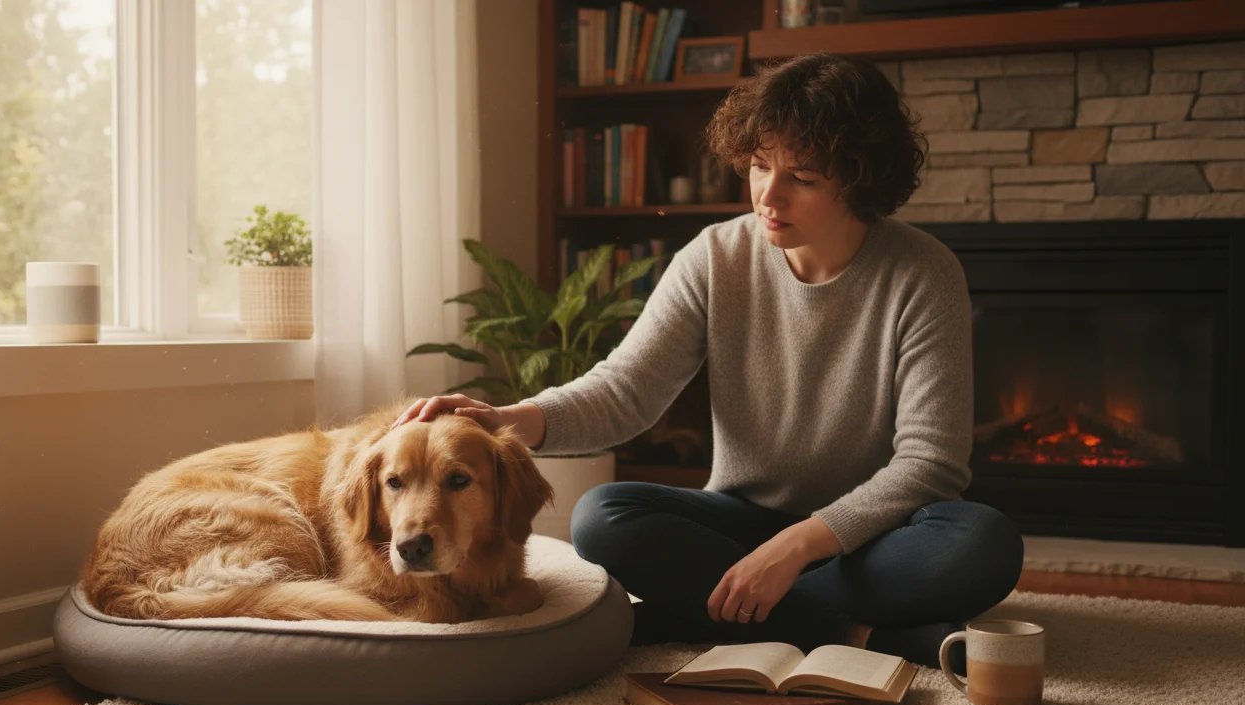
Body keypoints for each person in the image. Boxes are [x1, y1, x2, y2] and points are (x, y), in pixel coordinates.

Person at [392, 52, 1023, 670]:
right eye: (757, 166)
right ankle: (858, 634)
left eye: (800, 177)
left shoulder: (923, 272)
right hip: (739, 523)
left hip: (866, 537)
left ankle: (696, 617)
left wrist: (797, 547)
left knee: (982, 544)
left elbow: (930, 465)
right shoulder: (715, 257)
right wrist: (506, 418)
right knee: (601, 517)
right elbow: (626, 389)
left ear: (858, 180)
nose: (767, 195)